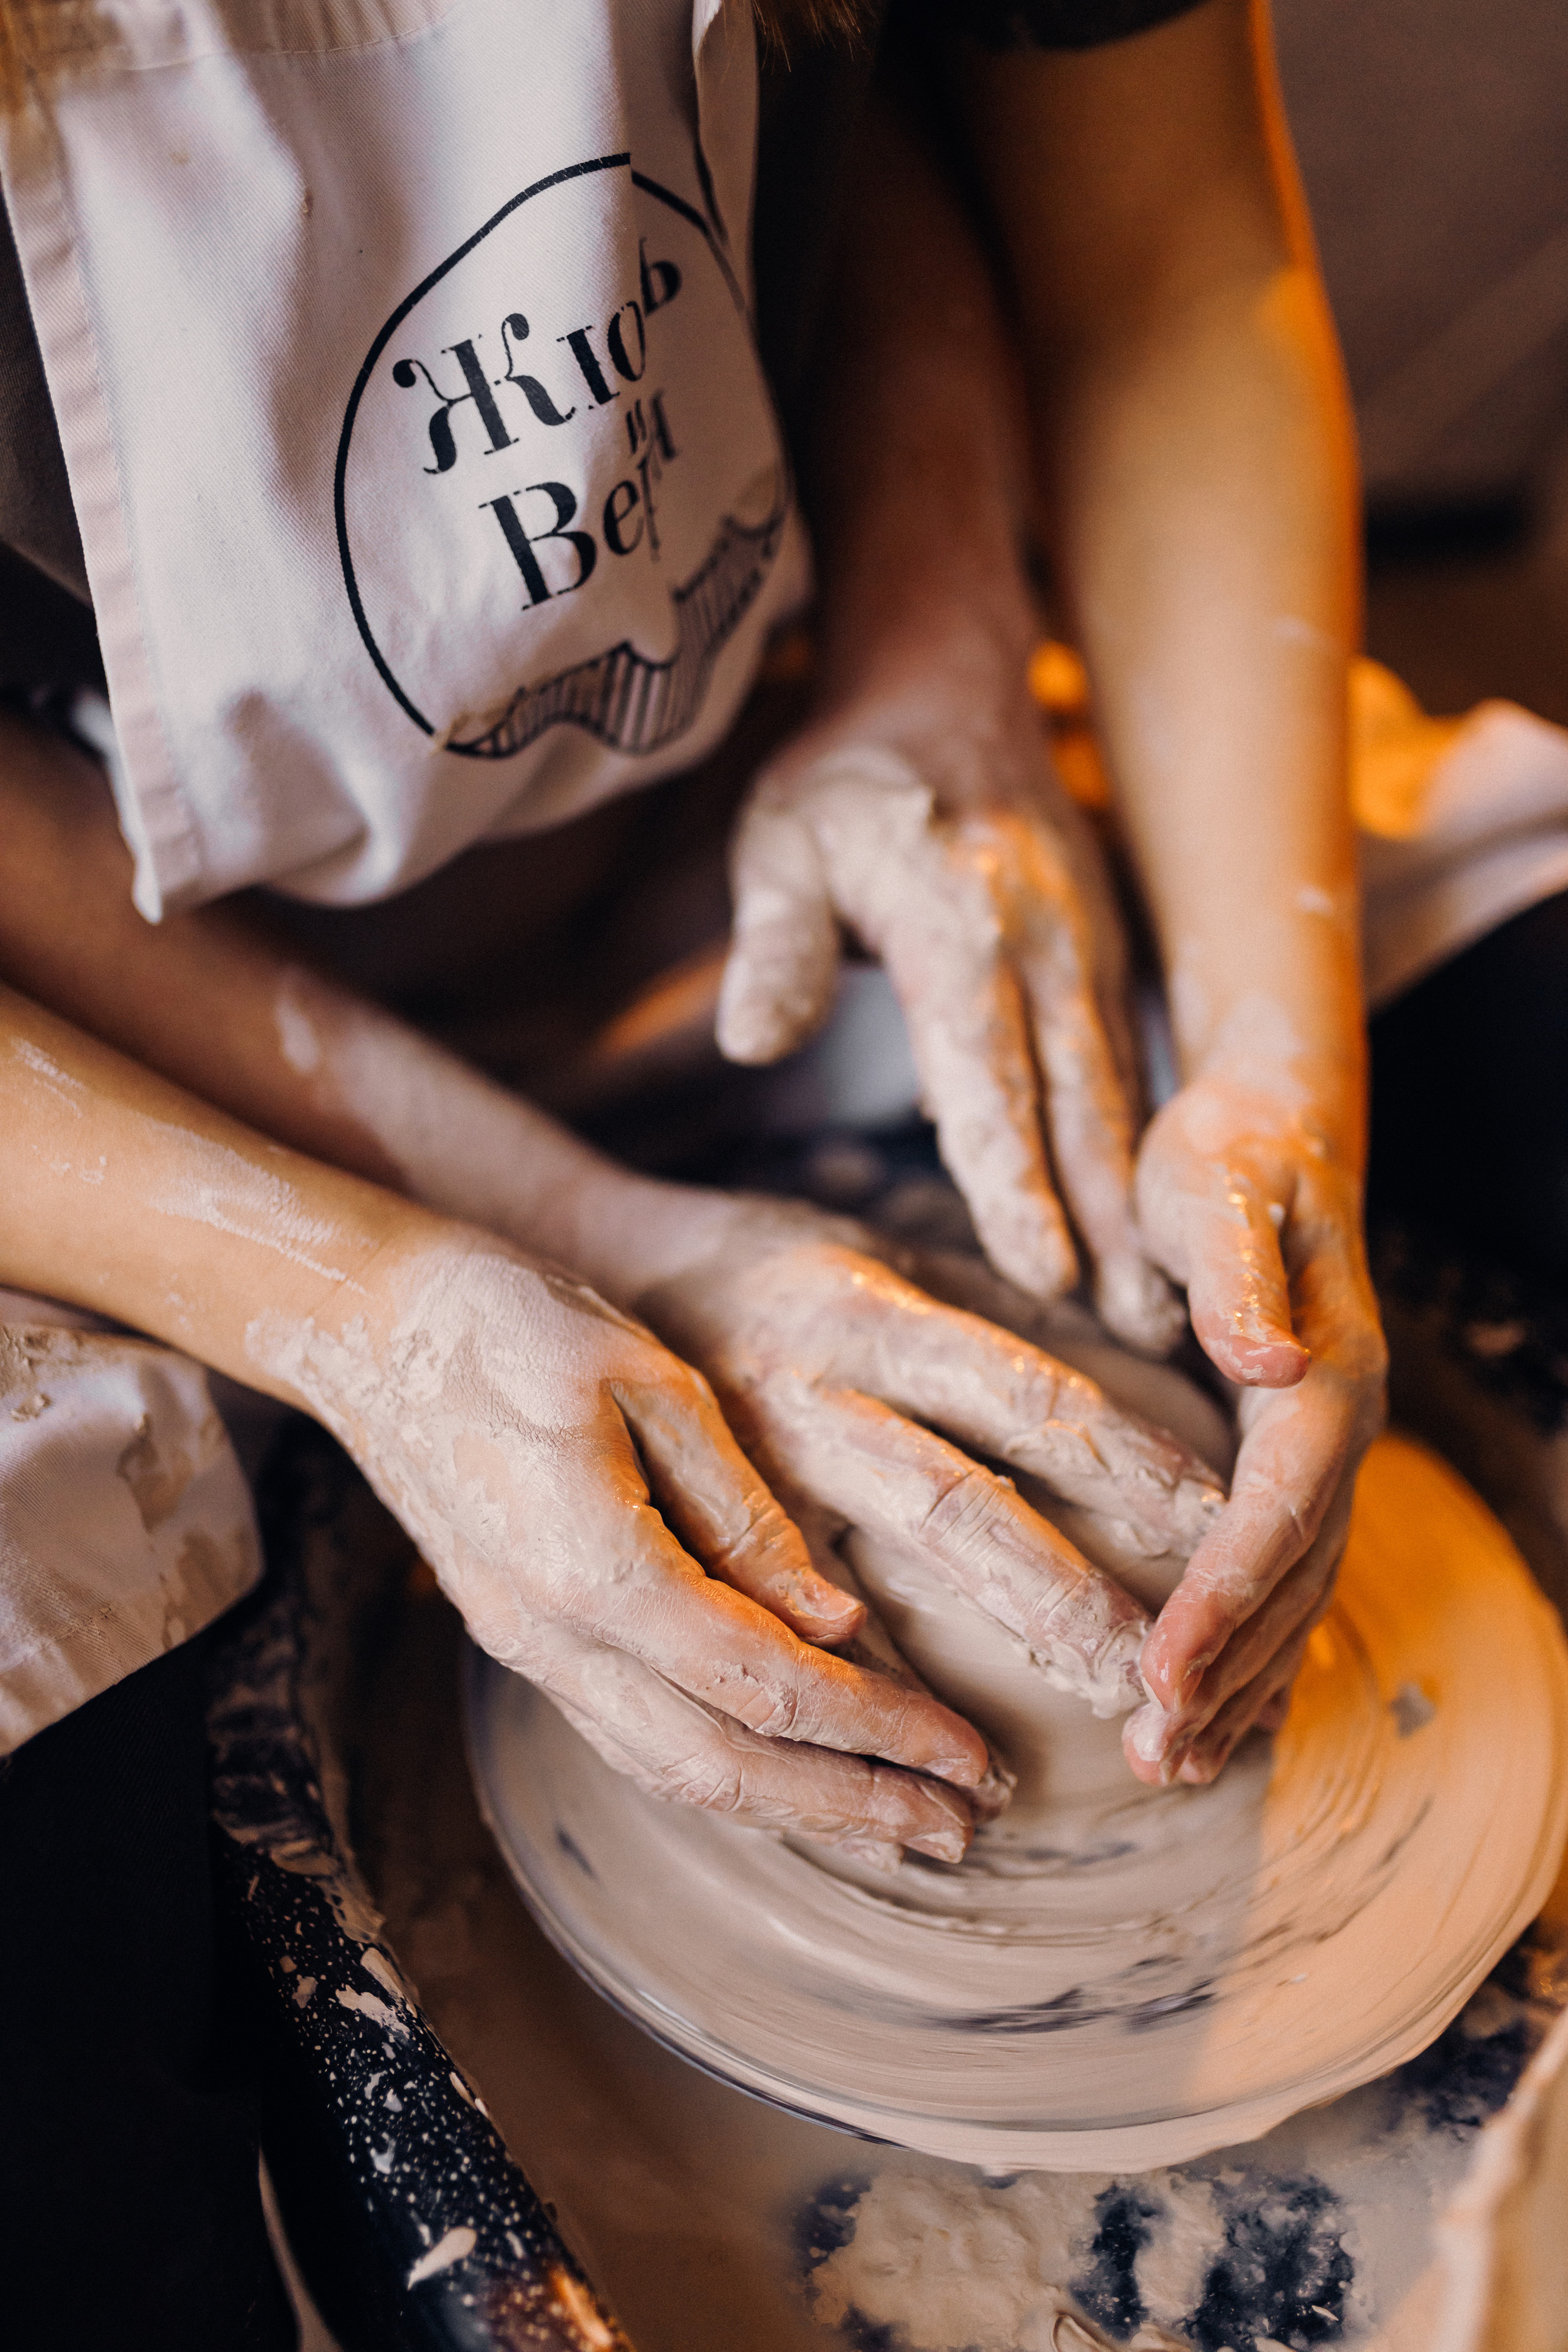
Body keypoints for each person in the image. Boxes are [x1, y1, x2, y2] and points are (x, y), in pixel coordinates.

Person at [0, 0, 1384, 2339]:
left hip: (775, 786)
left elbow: (1157, 259)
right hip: (95, 1064)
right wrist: (401, 1280)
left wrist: (1252, 1031)